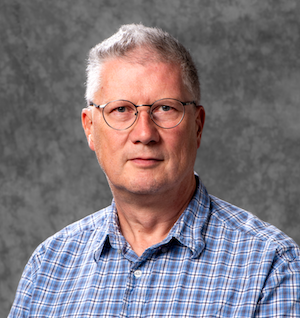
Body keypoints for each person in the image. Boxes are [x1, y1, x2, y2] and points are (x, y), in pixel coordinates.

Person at [9, 24, 300, 317]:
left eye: (165, 108)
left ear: (197, 126)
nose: (145, 133)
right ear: (90, 128)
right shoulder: (48, 267)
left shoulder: (271, 267)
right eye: (121, 109)